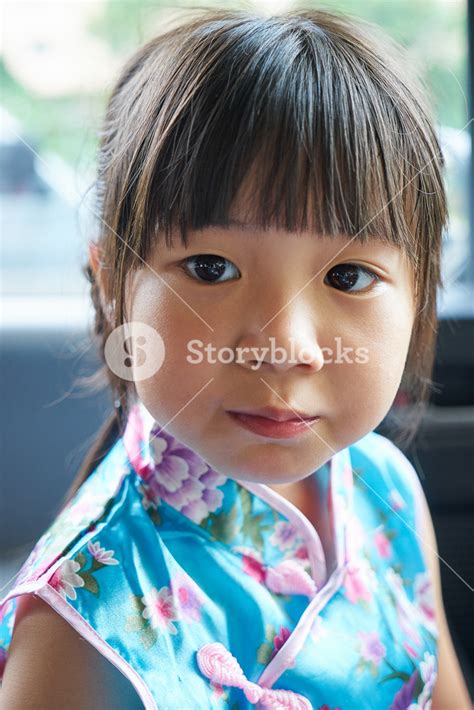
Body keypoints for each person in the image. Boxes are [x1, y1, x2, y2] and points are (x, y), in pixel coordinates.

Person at [0, 7, 471, 709]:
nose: (284, 347)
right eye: (212, 268)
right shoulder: (75, 627)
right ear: (112, 281)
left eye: (348, 277)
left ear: (419, 292)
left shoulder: (387, 488)